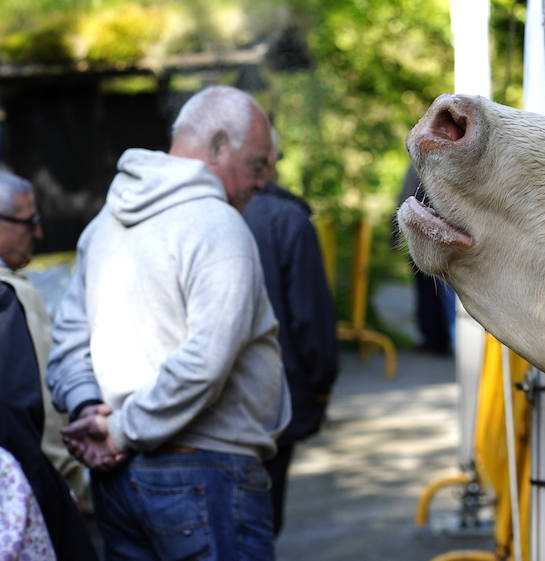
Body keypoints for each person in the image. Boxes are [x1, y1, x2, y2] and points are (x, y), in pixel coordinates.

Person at [46, 85, 290, 561]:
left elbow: (68, 343)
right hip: (207, 474)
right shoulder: (219, 227)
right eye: (259, 164)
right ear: (218, 145)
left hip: (117, 479)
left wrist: (89, 410)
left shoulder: (103, 225)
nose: (264, 183)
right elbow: (204, 364)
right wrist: (116, 431)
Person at [243, 133, 340, 536]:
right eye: (276, 157)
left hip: (203, 412)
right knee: (261, 525)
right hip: (275, 401)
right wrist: (320, 387)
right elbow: (310, 319)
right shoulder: (288, 220)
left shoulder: (185, 215)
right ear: (264, 161)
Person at [0, 170, 89, 509]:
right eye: (28, 221)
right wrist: (69, 480)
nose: (38, 232)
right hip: (28, 491)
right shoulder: (14, 294)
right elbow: (43, 403)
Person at [0, 281, 99, 560]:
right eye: (30, 231)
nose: (38, 234)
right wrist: (69, 475)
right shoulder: (9, 297)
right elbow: (17, 413)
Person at [395, 165, 455, 355]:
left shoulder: (415, 166)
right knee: (447, 294)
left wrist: (394, 235)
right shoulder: (450, 162)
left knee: (428, 293)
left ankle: (433, 338)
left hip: (422, 242)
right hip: (451, 240)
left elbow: (404, 197)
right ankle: (448, 338)